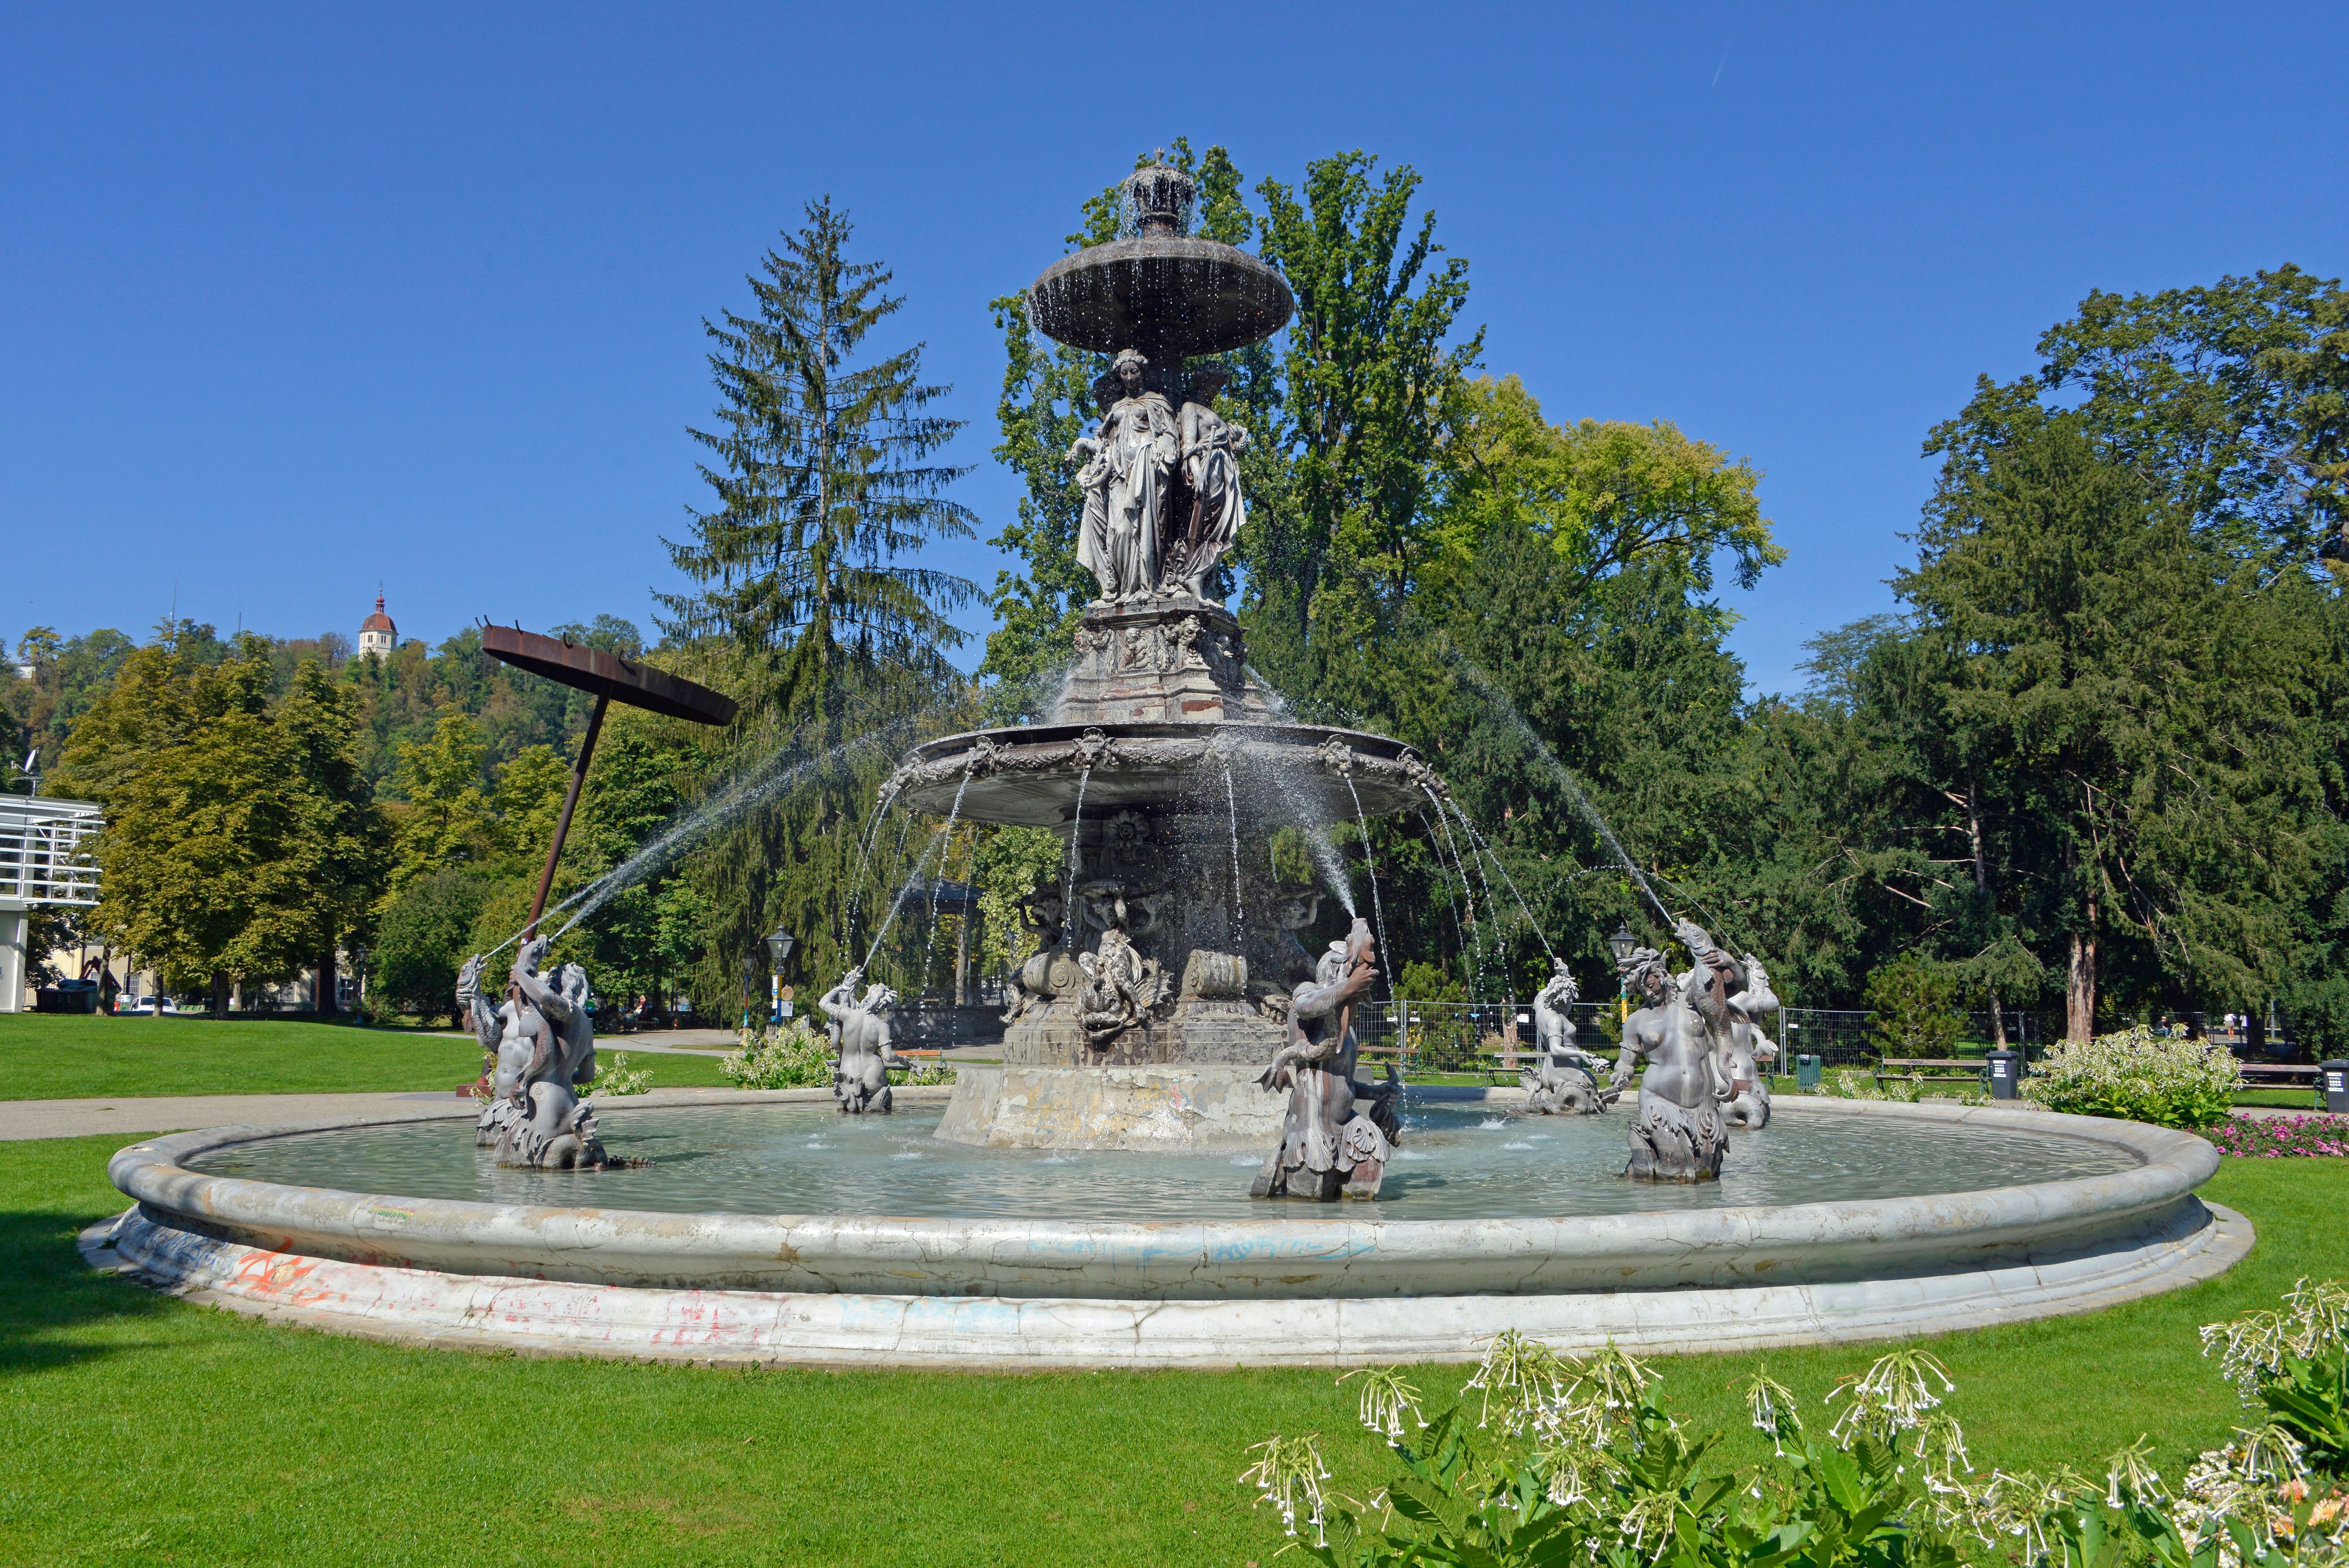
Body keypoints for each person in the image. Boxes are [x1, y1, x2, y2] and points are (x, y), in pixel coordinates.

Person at [1068, 349, 1177, 602]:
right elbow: (1105, 446)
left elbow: (1169, 435)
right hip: (1118, 474)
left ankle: (1149, 583)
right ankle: (1125, 586)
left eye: (1134, 372)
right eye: (1125, 373)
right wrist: (1083, 446)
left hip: (1148, 473)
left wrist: (1162, 453)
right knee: (1119, 529)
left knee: (1148, 529)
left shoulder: (1156, 402)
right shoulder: (1116, 408)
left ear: (1143, 373)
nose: (1130, 378)